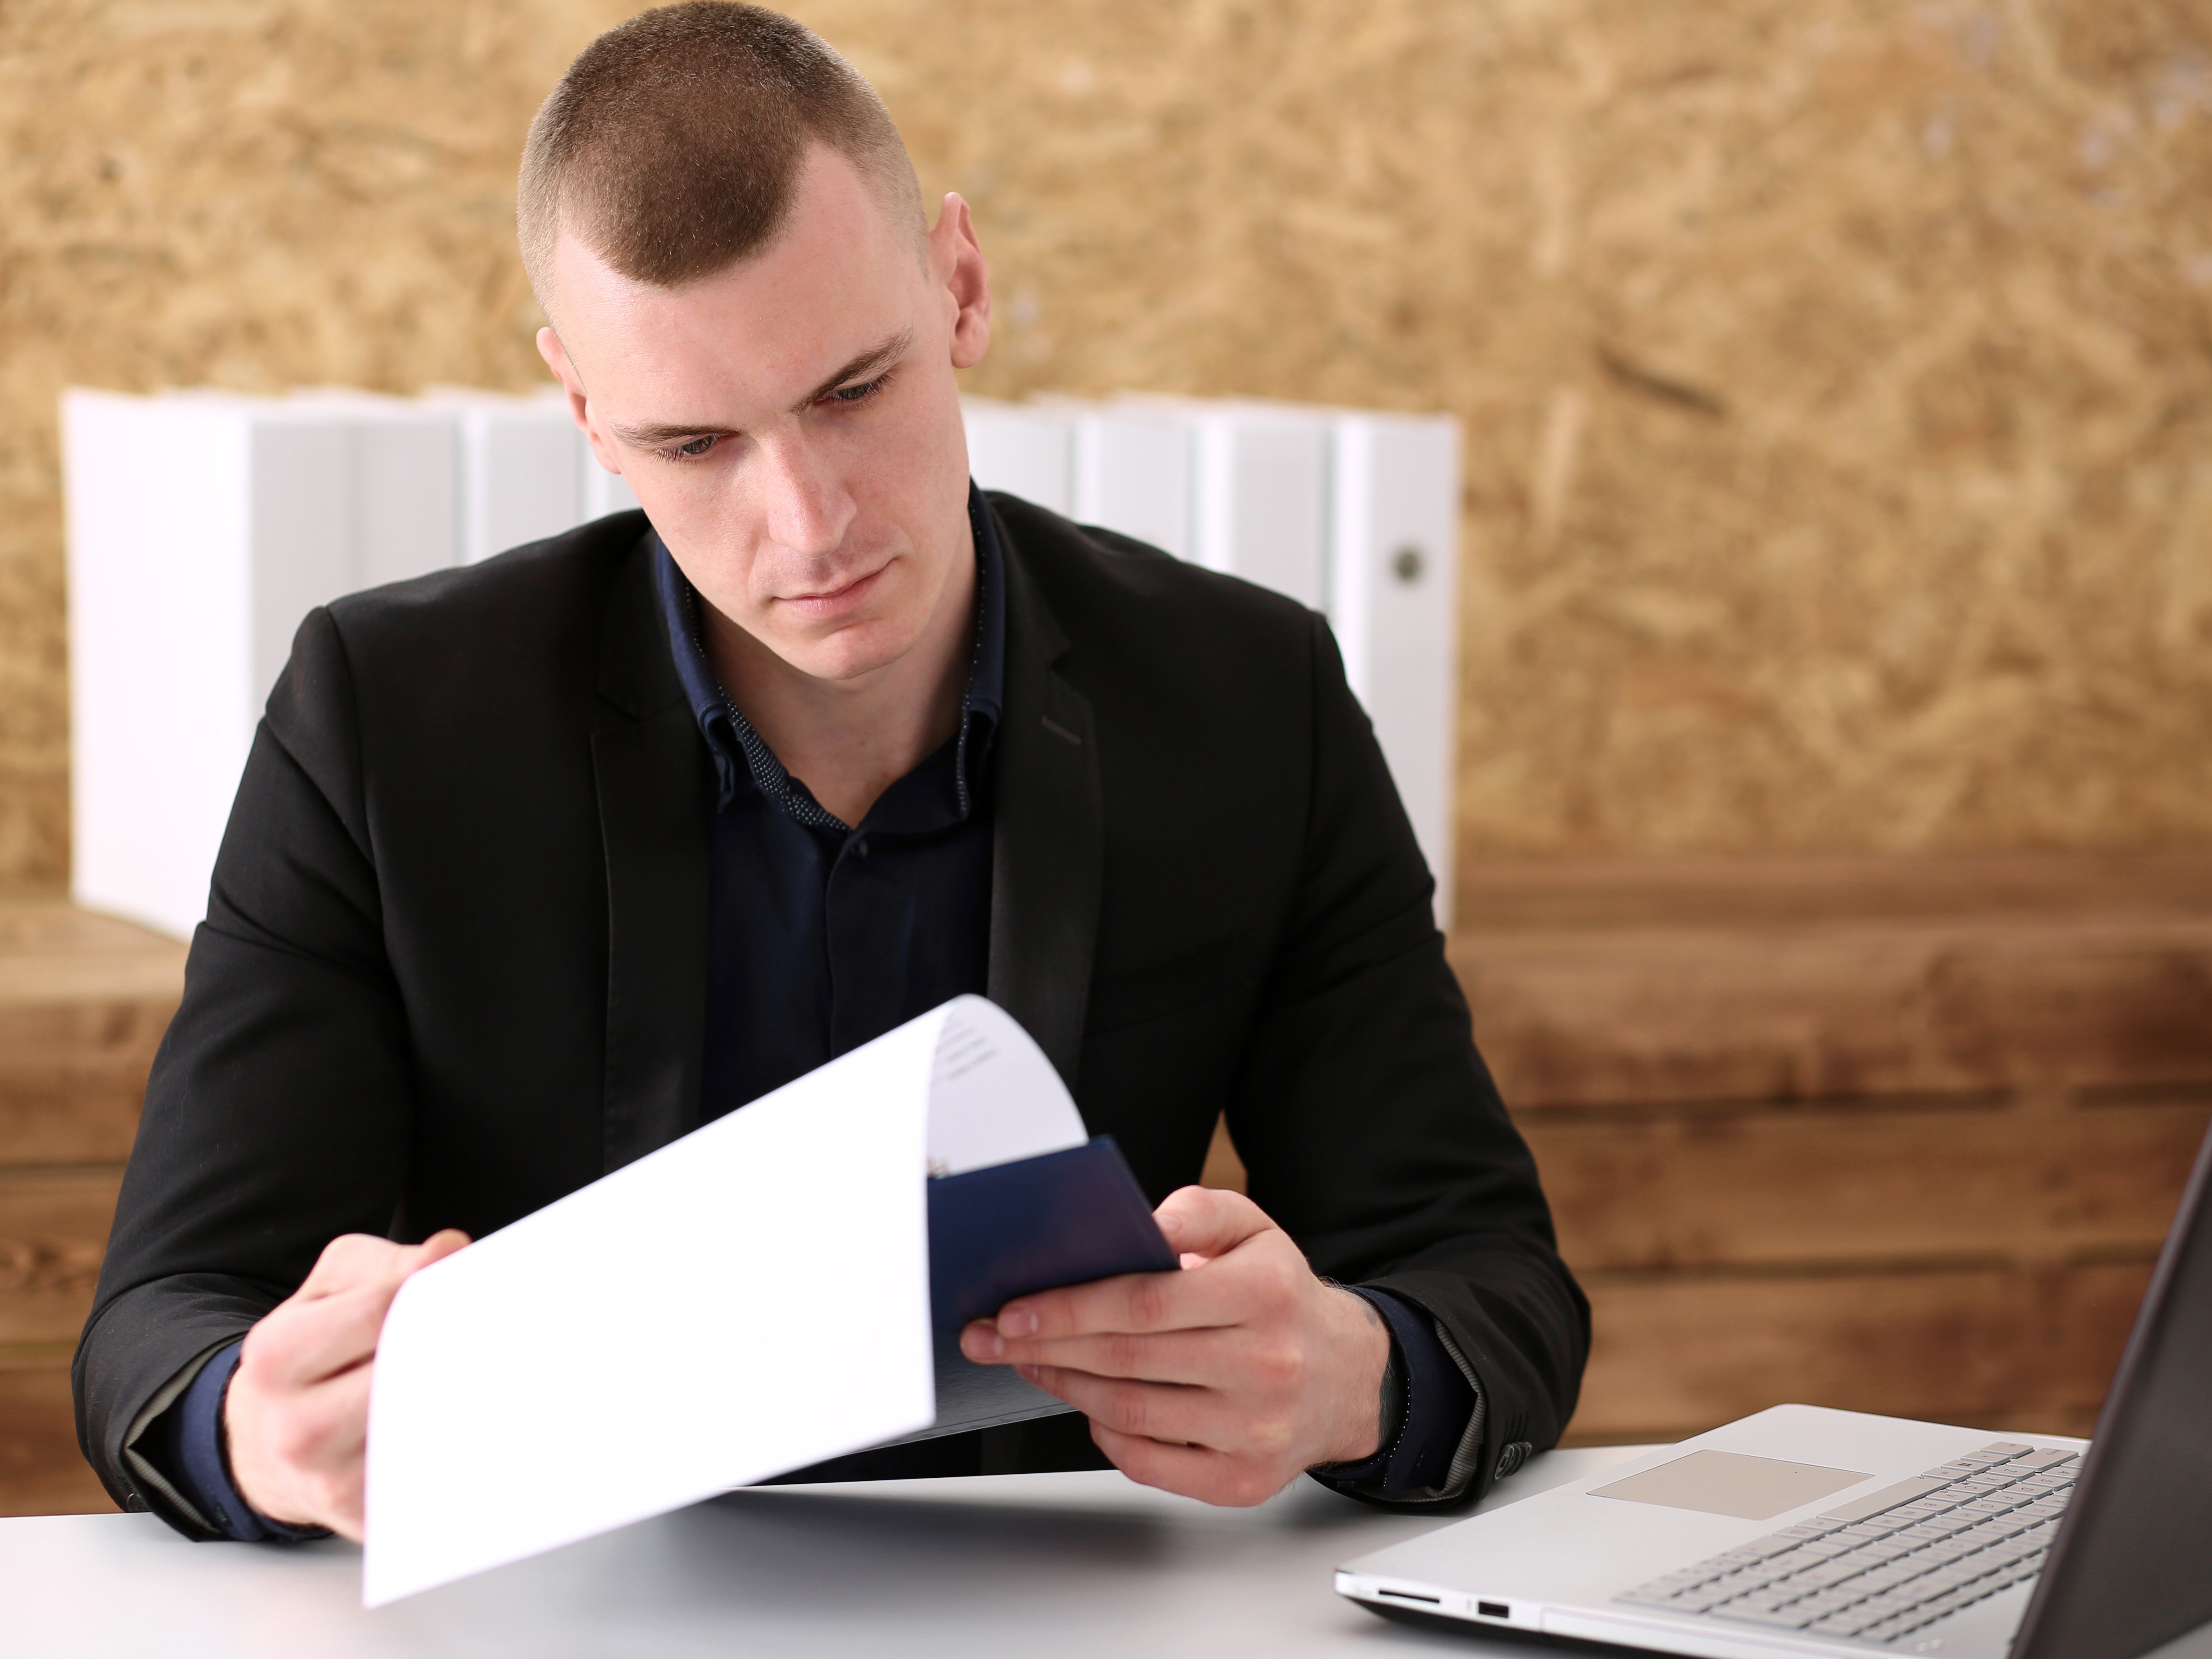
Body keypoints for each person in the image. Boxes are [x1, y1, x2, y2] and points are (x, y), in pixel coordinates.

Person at [75, 2, 1587, 1546]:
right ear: (587, 411)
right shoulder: (384, 719)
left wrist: (1351, 1376)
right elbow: (165, 1319)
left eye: (852, 391)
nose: (809, 527)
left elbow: (1489, 1273)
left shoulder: (1251, 698)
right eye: (694, 443)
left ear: (962, 287)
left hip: (1068, 1607)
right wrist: (257, 1426)